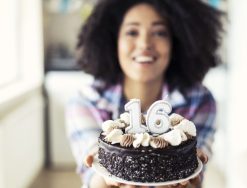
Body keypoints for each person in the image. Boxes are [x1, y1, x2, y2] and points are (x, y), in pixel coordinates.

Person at [66, 0, 223, 187]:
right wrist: (104, 180)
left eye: (159, 32)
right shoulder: (86, 101)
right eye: (132, 32)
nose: (144, 44)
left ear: (176, 42)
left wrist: (189, 177)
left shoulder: (200, 100)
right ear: (113, 40)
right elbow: (92, 175)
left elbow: (195, 178)